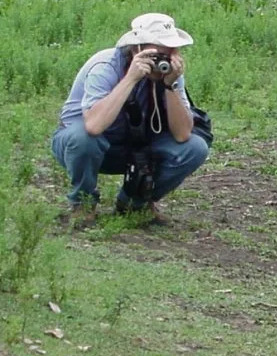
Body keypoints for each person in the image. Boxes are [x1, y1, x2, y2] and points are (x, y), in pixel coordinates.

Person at [51, 13, 209, 227]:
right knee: (83, 138)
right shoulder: (105, 66)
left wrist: (169, 85)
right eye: (159, 53)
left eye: (172, 51)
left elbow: (182, 134)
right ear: (137, 49)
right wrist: (131, 78)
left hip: (138, 147)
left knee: (195, 148)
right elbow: (94, 126)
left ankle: (135, 203)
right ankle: (83, 204)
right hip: (89, 148)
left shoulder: (170, 73)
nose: (165, 59)